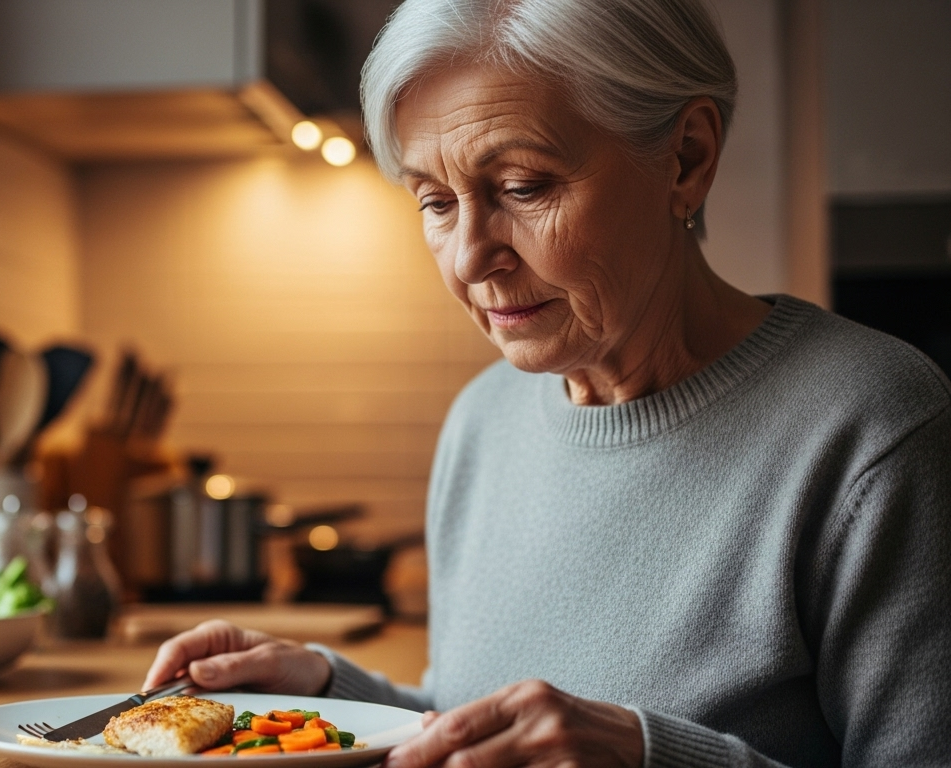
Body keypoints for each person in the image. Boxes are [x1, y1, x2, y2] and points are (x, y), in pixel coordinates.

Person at [142, 1, 951, 766]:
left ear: (686, 159)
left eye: (524, 187)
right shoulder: (483, 420)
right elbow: (487, 720)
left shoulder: (875, 426)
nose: (468, 259)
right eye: (434, 200)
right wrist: (327, 693)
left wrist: (645, 754)